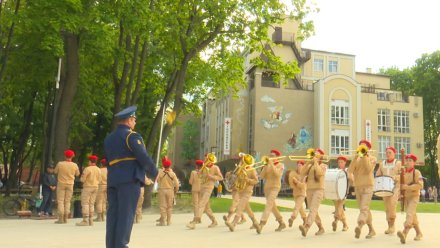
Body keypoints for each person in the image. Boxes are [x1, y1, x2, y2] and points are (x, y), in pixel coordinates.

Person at [104, 105, 158, 248]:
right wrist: (155, 173)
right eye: (134, 119)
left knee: (113, 215)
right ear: (128, 120)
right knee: (126, 215)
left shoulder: (109, 139)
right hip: (129, 180)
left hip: (113, 180)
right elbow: (143, 157)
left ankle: (111, 245)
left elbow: (109, 162)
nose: (135, 122)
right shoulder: (131, 136)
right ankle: (121, 245)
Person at [347, 139, 376, 239]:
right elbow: (350, 170)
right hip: (358, 186)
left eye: (363, 146)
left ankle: (359, 225)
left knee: (364, 208)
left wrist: (364, 156)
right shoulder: (357, 158)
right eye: (360, 146)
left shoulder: (372, 158)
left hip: (368, 186)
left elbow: (368, 169)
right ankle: (371, 229)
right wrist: (355, 158)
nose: (361, 148)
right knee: (364, 209)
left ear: (368, 148)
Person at [186, 153, 223, 229]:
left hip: (209, 188)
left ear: (211, 160)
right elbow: (200, 176)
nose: (205, 160)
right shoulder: (204, 166)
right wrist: (200, 172)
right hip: (202, 187)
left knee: (201, 203)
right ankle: (214, 221)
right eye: (205, 159)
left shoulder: (215, 167)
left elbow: (221, 177)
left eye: (207, 159)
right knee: (206, 208)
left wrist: (211, 176)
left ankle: (195, 222)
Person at [254, 149, 286, 234]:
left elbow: (277, 174)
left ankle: (261, 224)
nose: (270, 157)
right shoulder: (267, 165)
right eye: (270, 155)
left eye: (272, 156)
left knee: (268, 205)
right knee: (272, 206)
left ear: (277, 157)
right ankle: (281, 222)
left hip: (275, 187)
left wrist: (271, 164)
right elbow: (261, 176)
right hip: (267, 188)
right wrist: (255, 171)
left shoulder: (280, 165)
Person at [225, 154, 259, 232]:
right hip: (240, 191)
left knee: (240, 207)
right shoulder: (240, 169)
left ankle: (233, 224)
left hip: (247, 192)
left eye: (243, 160)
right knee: (247, 209)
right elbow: (234, 177)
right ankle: (255, 222)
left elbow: (256, 181)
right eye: (242, 160)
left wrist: (248, 180)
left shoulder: (252, 170)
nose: (242, 162)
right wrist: (231, 174)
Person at [298, 148, 327, 237]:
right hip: (310, 189)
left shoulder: (323, 165)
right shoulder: (310, 165)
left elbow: (319, 173)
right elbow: (302, 173)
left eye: (316, 154)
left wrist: (315, 163)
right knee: (313, 210)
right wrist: (307, 163)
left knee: (313, 209)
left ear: (320, 156)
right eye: (314, 154)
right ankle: (321, 227)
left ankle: (306, 227)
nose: (314, 155)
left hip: (318, 189)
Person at [397, 154, 424, 244]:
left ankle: (404, 232)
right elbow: (400, 185)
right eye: (407, 160)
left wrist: (407, 187)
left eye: (410, 161)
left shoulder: (417, 172)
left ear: (414, 163)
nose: (408, 162)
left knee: (409, 214)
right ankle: (419, 233)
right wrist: (399, 193)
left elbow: (420, 185)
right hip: (406, 197)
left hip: (414, 196)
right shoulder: (402, 172)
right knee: (413, 216)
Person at [376, 146, 402, 234]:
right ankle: (389, 226)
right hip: (384, 188)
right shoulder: (382, 163)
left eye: (390, 152)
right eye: (387, 152)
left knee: (392, 205)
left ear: (394, 153)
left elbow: (402, 175)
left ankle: (392, 225)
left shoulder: (398, 163)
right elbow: (378, 174)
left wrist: (395, 178)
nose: (388, 154)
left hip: (395, 187)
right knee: (387, 207)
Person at [54, 149, 80, 224]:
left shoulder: (60, 164)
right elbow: (77, 174)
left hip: (61, 184)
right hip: (70, 184)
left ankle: (61, 218)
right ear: (72, 156)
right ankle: (66, 217)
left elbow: (55, 171)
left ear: (65, 156)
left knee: (60, 201)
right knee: (68, 201)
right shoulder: (75, 165)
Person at [77, 155, 101, 226]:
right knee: (91, 203)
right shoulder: (98, 169)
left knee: (85, 203)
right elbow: (99, 180)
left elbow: (82, 179)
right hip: (96, 187)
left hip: (88, 187)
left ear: (90, 161)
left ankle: (85, 220)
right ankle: (91, 219)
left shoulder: (87, 169)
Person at [156, 157, 180, 226]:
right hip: (170, 190)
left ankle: (162, 221)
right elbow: (177, 184)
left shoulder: (160, 173)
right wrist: (176, 190)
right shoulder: (172, 174)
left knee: (163, 206)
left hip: (162, 190)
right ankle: (169, 221)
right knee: (169, 206)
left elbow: (157, 181)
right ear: (170, 165)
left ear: (163, 166)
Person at [287, 160, 307, 228]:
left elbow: (303, 186)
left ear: (303, 166)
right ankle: (305, 219)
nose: (299, 167)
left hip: (302, 193)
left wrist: (297, 182)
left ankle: (292, 218)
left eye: (300, 165)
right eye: (298, 165)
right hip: (295, 193)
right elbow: (291, 184)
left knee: (297, 207)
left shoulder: (305, 175)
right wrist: (292, 181)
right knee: (300, 208)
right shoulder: (294, 173)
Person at [332, 156, 349, 232]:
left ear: (345, 163)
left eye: (342, 162)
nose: (340, 163)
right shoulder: (336, 171)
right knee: (339, 209)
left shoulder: (347, 170)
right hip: (336, 193)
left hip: (344, 193)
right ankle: (345, 224)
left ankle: (335, 221)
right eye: (339, 162)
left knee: (339, 207)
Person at [189, 160, 203, 224]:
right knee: (200, 204)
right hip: (202, 189)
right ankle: (199, 218)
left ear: (196, 165)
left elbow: (190, 182)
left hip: (195, 189)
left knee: (195, 204)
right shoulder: (204, 172)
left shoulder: (193, 172)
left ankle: (195, 219)